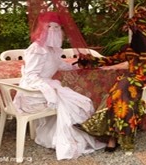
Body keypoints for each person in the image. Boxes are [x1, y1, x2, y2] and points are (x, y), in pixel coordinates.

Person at [75, 7, 146, 154]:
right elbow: (110, 60)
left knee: (123, 87)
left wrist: (133, 81)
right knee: (123, 94)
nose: (135, 36)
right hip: (133, 90)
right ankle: (120, 139)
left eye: (139, 33)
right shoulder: (130, 49)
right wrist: (89, 61)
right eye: (134, 33)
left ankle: (111, 136)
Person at [13, 12, 105, 160]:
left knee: (81, 102)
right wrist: (50, 89)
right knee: (75, 104)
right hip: (32, 93)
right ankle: (70, 141)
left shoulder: (52, 49)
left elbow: (60, 64)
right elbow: (31, 76)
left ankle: (73, 136)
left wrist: (78, 67)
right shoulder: (37, 49)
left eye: (57, 27)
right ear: (41, 28)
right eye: (49, 26)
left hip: (44, 88)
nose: (53, 30)